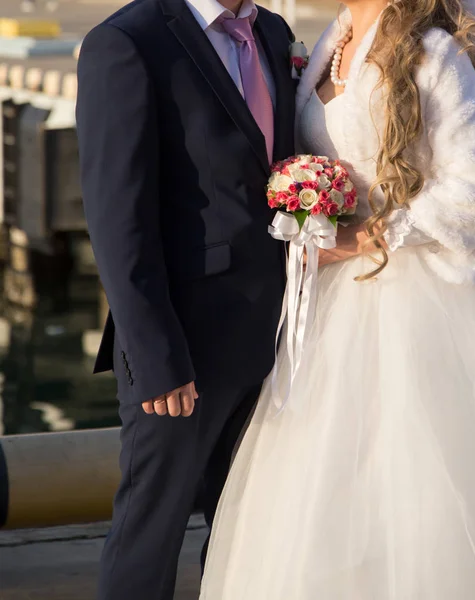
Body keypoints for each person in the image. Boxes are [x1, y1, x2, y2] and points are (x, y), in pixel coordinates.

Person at [198, 0, 475, 598]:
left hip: (422, 297)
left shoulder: (434, 52)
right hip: (334, 305)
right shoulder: (324, 47)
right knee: (327, 481)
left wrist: (368, 235)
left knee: (426, 478)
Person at [75, 0, 296, 597]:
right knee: (152, 532)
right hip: (183, 347)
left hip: (276, 335)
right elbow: (119, 223)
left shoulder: (272, 32)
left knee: (248, 527)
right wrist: (157, 359)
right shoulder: (127, 42)